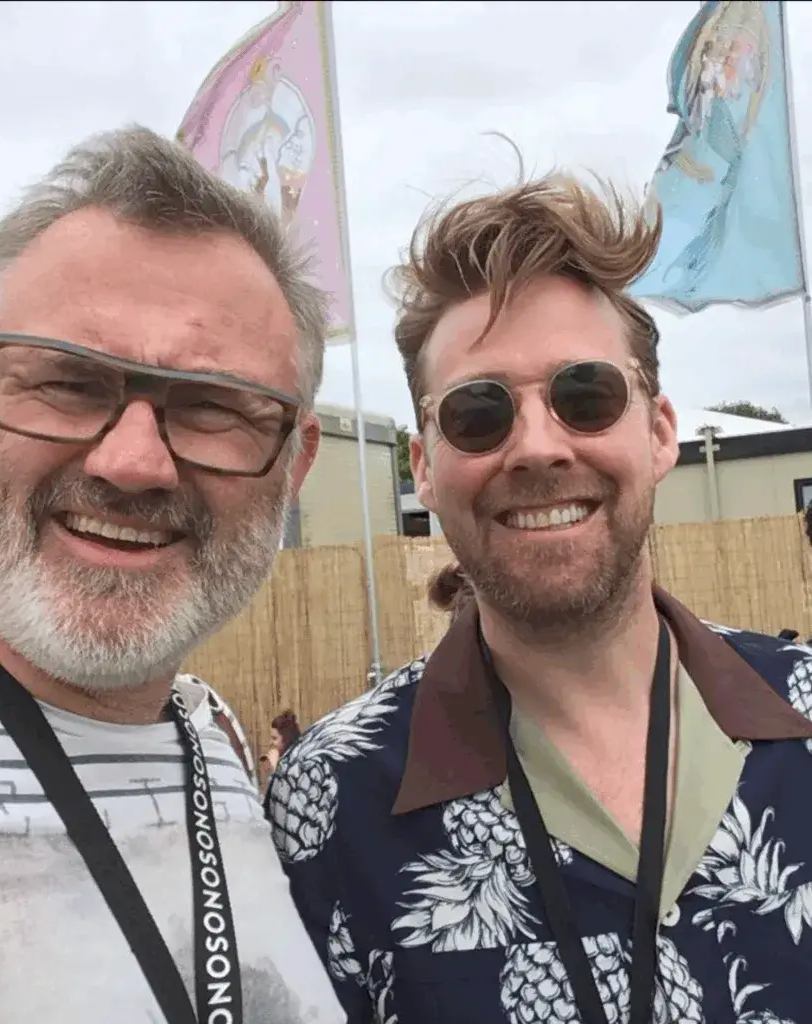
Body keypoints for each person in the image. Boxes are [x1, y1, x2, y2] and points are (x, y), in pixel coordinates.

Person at [0, 126, 345, 1023]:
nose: (134, 463)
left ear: (294, 465)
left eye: (211, 407)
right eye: (68, 384)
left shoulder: (220, 748)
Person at [267, 172, 812, 1023]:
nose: (536, 447)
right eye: (479, 414)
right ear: (422, 468)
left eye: (584, 396)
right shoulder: (328, 800)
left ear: (659, 430)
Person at [259, 710, 302, 790]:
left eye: (274, 738)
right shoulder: (282, 761)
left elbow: (286, 793)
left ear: (286, 739)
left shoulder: (297, 763)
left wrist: (275, 767)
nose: (270, 743)